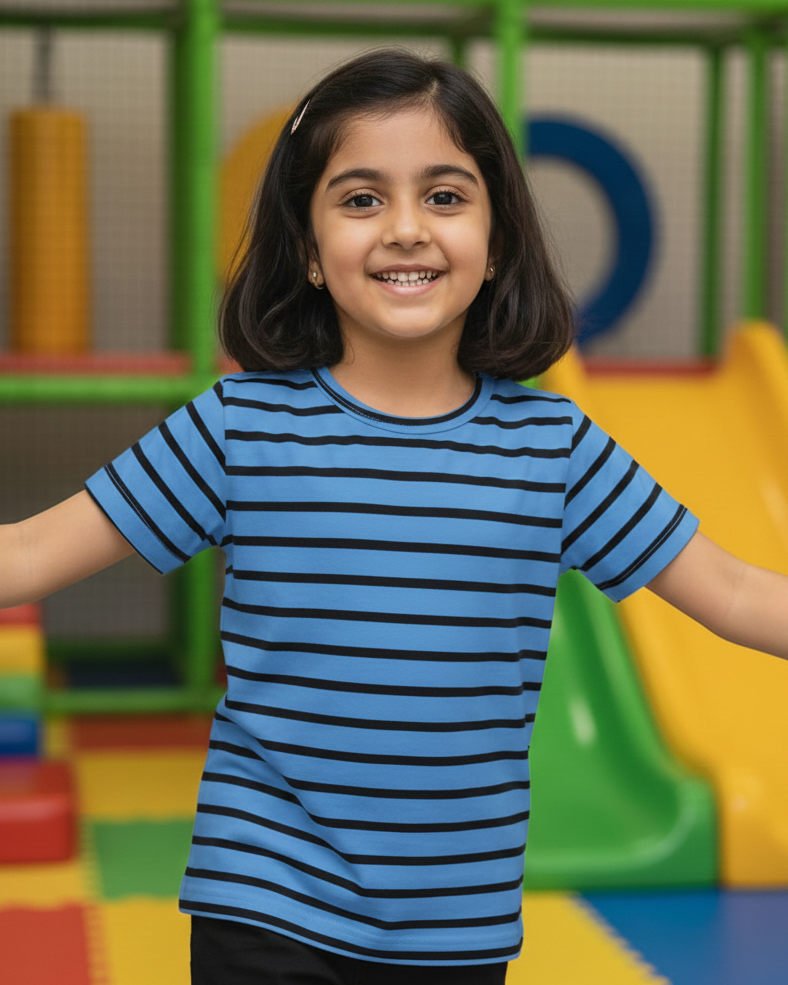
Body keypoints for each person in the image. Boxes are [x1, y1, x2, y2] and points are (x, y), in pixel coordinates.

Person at [2, 48, 788, 985]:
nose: (406, 229)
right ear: (308, 247)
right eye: (362, 198)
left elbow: (731, 589)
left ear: (498, 241)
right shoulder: (240, 426)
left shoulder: (553, 446)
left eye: (445, 196)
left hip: (454, 920)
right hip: (266, 894)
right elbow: (32, 551)